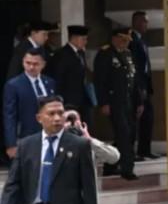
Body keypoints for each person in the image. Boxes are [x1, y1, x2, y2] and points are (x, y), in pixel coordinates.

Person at [94, 26, 140, 180]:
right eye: (122, 39)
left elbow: (133, 80)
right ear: (114, 38)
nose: (125, 43)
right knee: (124, 133)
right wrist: (103, 102)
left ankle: (110, 163)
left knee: (129, 133)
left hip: (128, 101)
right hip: (114, 101)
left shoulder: (127, 54)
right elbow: (100, 81)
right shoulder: (105, 54)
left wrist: (139, 102)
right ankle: (127, 169)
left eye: (127, 40)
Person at [3, 48, 56, 160]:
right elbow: (9, 116)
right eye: (28, 63)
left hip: (50, 135)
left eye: (36, 64)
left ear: (43, 64)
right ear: (23, 62)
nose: (31, 67)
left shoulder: (50, 83)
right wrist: (11, 143)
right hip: (26, 138)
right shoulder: (14, 85)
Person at [129, 11, 157, 160]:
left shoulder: (142, 40)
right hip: (137, 88)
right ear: (136, 22)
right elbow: (135, 68)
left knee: (148, 118)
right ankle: (131, 152)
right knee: (134, 120)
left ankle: (145, 150)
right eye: (144, 21)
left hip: (146, 86)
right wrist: (139, 88)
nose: (147, 24)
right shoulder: (131, 40)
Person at [50, 25, 93, 123]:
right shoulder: (62, 55)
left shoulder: (80, 53)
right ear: (74, 38)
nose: (85, 42)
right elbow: (58, 80)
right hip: (69, 101)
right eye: (83, 39)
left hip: (82, 100)